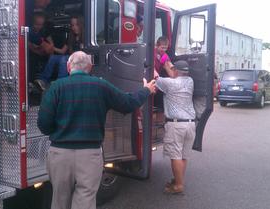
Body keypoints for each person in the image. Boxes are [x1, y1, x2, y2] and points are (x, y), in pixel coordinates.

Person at [37, 51, 156, 209]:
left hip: (60, 155)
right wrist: (146, 90)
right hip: (90, 155)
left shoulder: (55, 87)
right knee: (85, 200)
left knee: (59, 200)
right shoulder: (101, 86)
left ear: (67, 67)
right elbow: (128, 103)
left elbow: (43, 124)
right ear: (90, 67)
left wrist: (61, 131)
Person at [155, 60, 196, 194]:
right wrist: (170, 66)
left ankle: (178, 186)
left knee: (175, 156)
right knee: (183, 156)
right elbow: (174, 76)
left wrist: (151, 63)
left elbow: (155, 77)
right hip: (190, 124)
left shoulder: (169, 83)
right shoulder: (190, 81)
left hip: (176, 125)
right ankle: (178, 180)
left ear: (176, 71)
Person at [34, 16, 84, 91]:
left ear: (81, 25)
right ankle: (43, 81)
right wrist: (50, 47)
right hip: (71, 57)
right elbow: (62, 51)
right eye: (72, 25)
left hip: (81, 60)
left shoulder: (86, 36)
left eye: (77, 25)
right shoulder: (71, 37)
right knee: (53, 57)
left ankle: (60, 83)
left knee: (64, 59)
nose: (74, 27)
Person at [28, 12, 54, 82]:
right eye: (37, 24)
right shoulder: (30, 33)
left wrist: (50, 46)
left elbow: (50, 47)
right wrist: (40, 49)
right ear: (32, 23)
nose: (39, 27)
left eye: (41, 25)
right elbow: (30, 47)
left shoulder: (43, 31)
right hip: (31, 57)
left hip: (41, 57)